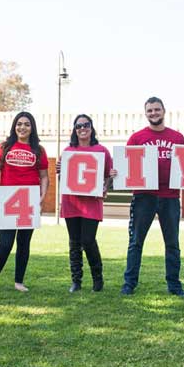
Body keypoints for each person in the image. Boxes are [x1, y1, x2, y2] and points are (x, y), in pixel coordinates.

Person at [120, 97, 184, 297]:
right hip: (144, 197)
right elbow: (127, 165)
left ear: (164, 111)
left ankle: (174, 285)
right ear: (145, 113)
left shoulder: (177, 137)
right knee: (136, 242)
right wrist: (118, 173)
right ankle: (129, 283)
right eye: (150, 110)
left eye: (157, 109)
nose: (153, 113)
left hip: (170, 196)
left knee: (173, 244)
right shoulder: (136, 138)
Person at [0, 112, 49, 292]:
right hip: (8, 199)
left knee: (24, 243)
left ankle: (19, 282)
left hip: (29, 201)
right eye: (19, 124)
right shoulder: (5, 147)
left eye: (27, 124)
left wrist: (42, 197)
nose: (22, 127)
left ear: (32, 128)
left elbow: (44, 176)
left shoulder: (39, 150)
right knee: (5, 243)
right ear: (14, 126)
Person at [58, 114, 114, 292]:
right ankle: (76, 281)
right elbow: (64, 179)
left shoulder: (101, 151)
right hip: (71, 202)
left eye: (86, 125)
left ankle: (98, 278)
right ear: (74, 130)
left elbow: (107, 177)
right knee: (74, 242)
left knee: (88, 240)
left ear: (92, 128)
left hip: (91, 203)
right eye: (78, 126)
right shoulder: (68, 151)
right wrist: (60, 170)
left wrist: (108, 183)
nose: (82, 128)